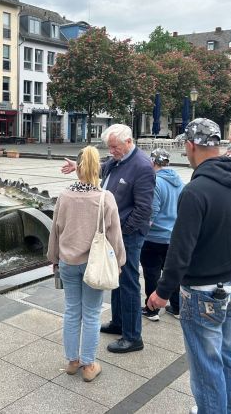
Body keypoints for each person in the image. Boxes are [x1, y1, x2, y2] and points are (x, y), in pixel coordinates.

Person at [147, 118, 231, 414]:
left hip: (203, 292)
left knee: (206, 365)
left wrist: (162, 292)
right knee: (225, 354)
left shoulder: (195, 191)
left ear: (191, 146)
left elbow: (180, 250)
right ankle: (223, 408)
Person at [62, 124, 155, 353]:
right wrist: (79, 166)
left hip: (128, 235)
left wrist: (122, 232)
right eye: (109, 147)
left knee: (129, 282)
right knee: (114, 278)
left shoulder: (142, 166)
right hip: (114, 232)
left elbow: (144, 209)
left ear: (128, 142)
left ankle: (133, 337)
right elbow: (102, 168)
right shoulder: (118, 160)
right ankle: (118, 322)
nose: (111, 151)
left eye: (114, 147)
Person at [49, 146, 125, 382]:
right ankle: (89, 365)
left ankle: (73, 361)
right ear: (97, 169)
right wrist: (119, 262)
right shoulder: (105, 197)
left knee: (72, 311)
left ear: (78, 168)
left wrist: (54, 258)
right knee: (91, 314)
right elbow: (115, 235)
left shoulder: (64, 196)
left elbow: (55, 230)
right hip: (95, 264)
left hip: (68, 262)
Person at [140, 148, 184, 321]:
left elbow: (151, 211)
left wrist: (142, 230)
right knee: (171, 274)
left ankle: (152, 310)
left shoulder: (155, 182)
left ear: (153, 162)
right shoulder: (179, 182)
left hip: (154, 237)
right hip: (173, 237)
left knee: (152, 274)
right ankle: (177, 307)